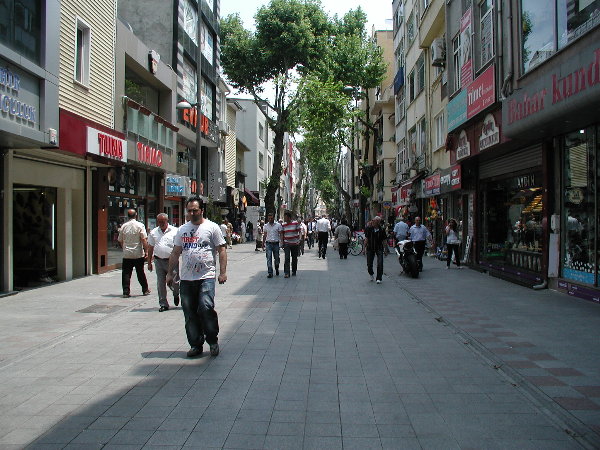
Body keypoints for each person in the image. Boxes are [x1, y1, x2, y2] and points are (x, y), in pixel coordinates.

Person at [166, 196, 227, 358]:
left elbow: (222, 250)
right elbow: (175, 252)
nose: (192, 214)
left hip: (206, 276)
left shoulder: (212, 228)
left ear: (202, 210)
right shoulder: (182, 230)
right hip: (187, 278)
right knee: (190, 312)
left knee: (206, 307)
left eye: (195, 210)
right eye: (189, 211)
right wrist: (170, 273)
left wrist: (222, 272)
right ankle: (195, 344)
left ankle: (212, 340)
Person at [147, 213, 179, 311]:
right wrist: (149, 262)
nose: (161, 223)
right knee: (160, 283)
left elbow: (178, 246)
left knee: (175, 282)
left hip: (172, 261)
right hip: (158, 260)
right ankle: (163, 304)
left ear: (167, 221)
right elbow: (150, 247)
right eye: (159, 222)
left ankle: (176, 294)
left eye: (163, 221)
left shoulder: (175, 231)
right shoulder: (153, 232)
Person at [118, 209, 150, 298]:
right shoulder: (140, 225)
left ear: (128, 215)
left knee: (126, 273)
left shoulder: (124, 226)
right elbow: (144, 239)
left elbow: (120, 240)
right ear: (136, 215)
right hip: (137, 253)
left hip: (127, 254)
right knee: (140, 272)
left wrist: (124, 247)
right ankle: (145, 289)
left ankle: (126, 292)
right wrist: (146, 251)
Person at [364, 216, 386, 283]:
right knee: (369, 264)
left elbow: (384, 240)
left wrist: (385, 249)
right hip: (370, 247)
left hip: (379, 248)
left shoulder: (382, 229)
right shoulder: (369, 229)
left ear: (378, 222)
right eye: (373, 220)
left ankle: (379, 278)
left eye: (374, 221)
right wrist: (364, 248)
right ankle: (371, 273)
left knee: (380, 263)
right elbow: (366, 239)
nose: (372, 221)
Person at [262, 212, 283, 278]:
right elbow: (265, 235)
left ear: (274, 218)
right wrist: (263, 243)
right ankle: (270, 272)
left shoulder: (278, 225)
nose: (270, 220)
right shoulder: (266, 226)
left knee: (276, 258)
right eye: (269, 218)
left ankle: (277, 268)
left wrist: (282, 242)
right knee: (269, 258)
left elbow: (281, 234)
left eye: (271, 218)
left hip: (276, 244)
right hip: (268, 244)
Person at [282, 211, 301, 277]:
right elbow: (282, 234)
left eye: (285, 217)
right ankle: (287, 272)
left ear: (289, 218)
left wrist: (299, 240)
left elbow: (300, 232)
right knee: (287, 258)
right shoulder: (283, 225)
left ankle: (294, 270)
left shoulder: (295, 223)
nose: (285, 219)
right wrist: (282, 242)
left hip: (295, 243)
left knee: (294, 258)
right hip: (286, 243)